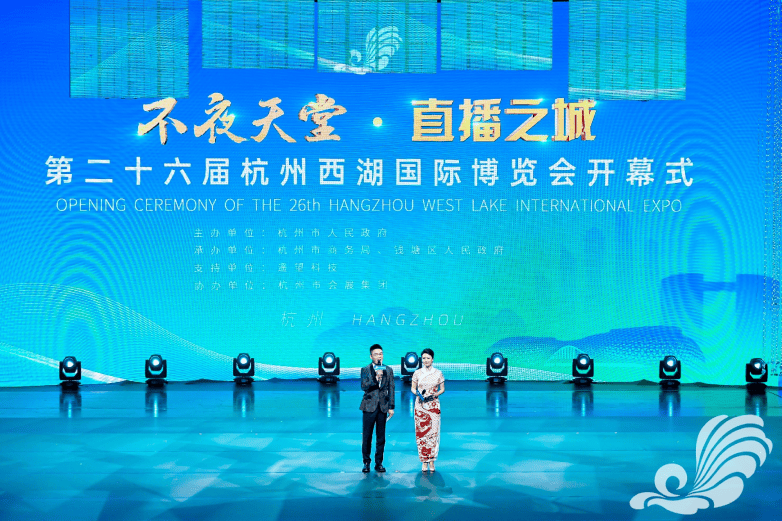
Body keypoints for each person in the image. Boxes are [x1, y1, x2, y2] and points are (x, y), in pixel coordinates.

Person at [360, 344, 395, 473]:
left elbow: (391, 388)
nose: (379, 356)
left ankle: (379, 463)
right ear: (371, 356)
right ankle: (366, 463)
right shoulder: (365, 369)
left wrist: (391, 407)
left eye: (381, 354)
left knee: (381, 437)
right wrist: (375, 378)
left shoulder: (388, 370)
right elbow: (364, 386)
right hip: (369, 406)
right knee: (367, 436)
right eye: (376, 354)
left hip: (382, 407)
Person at [411, 348, 444, 473]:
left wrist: (435, 394)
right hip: (420, 406)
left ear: (432, 359)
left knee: (433, 433)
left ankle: (432, 461)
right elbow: (413, 388)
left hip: (433, 406)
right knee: (422, 434)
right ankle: (424, 461)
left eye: (428, 358)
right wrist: (418, 394)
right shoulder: (417, 373)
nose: (426, 360)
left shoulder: (438, 373)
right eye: (424, 358)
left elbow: (442, 389)